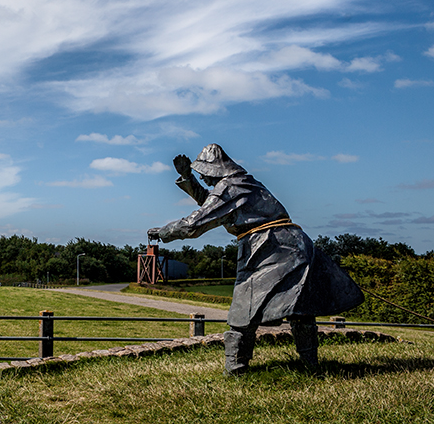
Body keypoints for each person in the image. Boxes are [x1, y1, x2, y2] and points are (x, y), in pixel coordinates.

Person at [147, 144, 363, 375]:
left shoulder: (230, 187)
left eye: (202, 172)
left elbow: (195, 224)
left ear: (215, 170)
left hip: (269, 248)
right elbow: (214, 205)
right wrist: (187, 178)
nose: (202, 176)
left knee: (243, 312)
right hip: (294, 245)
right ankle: (311, 368)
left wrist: (163, 232)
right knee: (300, 309)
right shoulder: (242, 183)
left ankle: (236, 371)